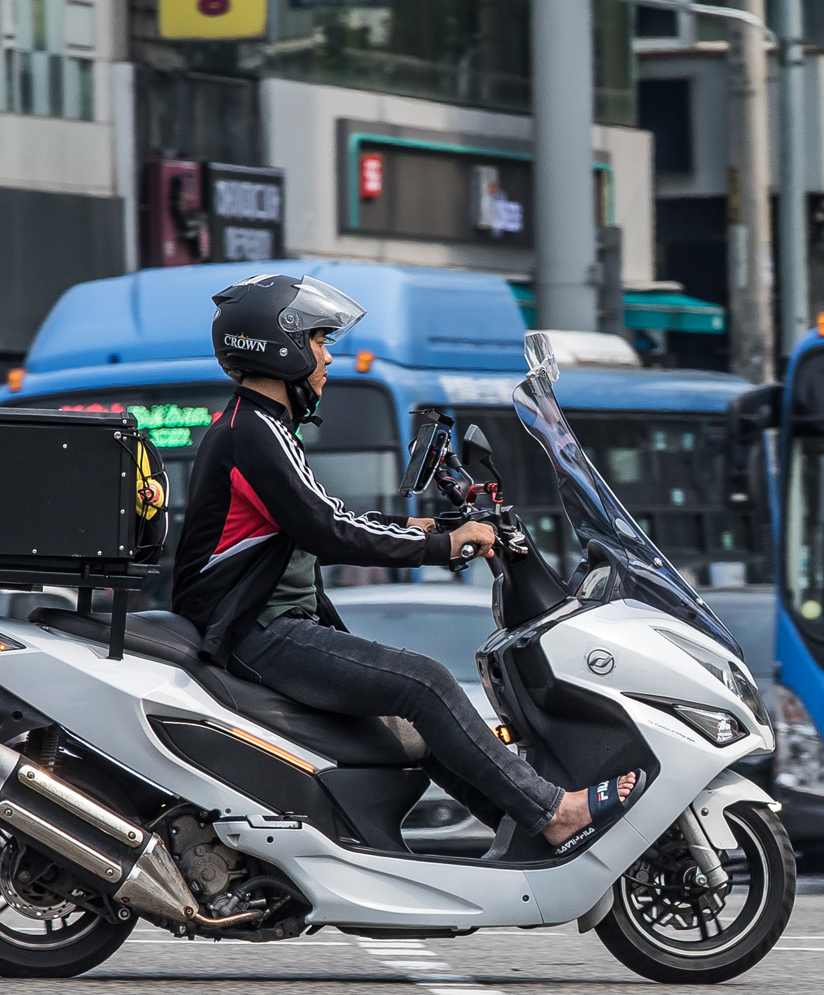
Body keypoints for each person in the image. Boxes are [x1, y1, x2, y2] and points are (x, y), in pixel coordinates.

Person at [171, 273, 642, 857]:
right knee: (427, 682)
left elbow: (325, 518)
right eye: (320, 342)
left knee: (417, 726)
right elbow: (329, 529)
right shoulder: (253, 434)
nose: (327, 360)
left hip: (272, 626)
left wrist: (423, 530)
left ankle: (517, 826)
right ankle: (554, 812)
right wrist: (440, 546)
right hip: (258, 633)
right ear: (280, 344)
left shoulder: (260, 429)